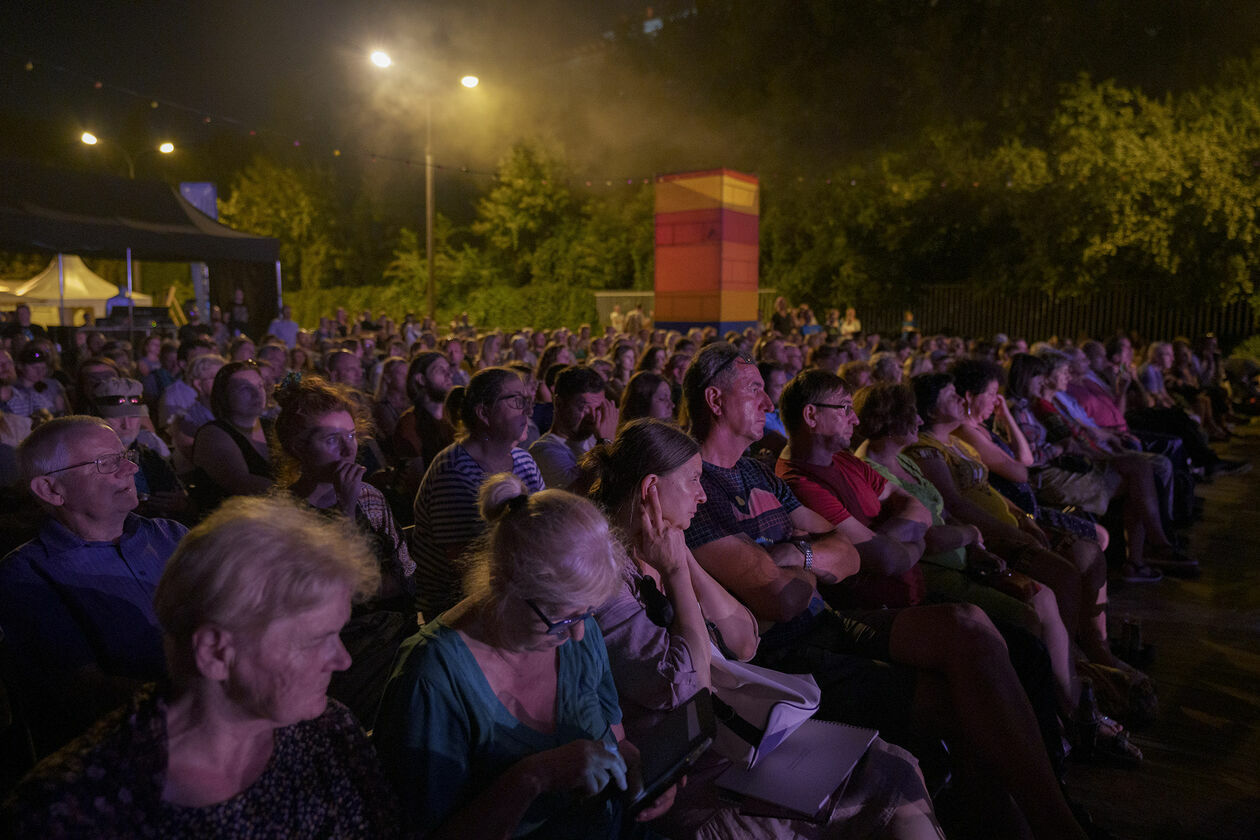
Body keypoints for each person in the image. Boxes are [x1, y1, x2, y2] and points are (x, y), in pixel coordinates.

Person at [678, 342, 1088, 840]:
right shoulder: (693, 487)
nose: (768, 404)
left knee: (969, 625)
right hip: (781, 662)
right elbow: (779, 600)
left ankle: (1048, 822)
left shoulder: (755, 471)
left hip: (826, 622)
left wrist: (797, 555)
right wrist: (810, 557)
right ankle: (1041, 826)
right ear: (715, 401)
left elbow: (848, 555)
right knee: (974, 704)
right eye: (755, 391)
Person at [587, 419, 944, 839]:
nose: (702, 496)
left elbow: (744, 640)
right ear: (651, 489)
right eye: (694, 482)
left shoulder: (669, 548)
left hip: (733, 746)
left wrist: (681, 561)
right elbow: (686, 688)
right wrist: (676, 574)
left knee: (897, 764)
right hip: (691, 781)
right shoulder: (608, 580)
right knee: (892, 788)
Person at [4, 494, 399, 836]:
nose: (343, 659)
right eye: (315, 640)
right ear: (213, 652)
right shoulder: (70, 808)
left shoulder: (328, 729)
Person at [376, 473, 674, 837]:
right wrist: (534, 776)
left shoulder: (578, 629)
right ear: (502, 584)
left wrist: (643, 772)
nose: (579, 633)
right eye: (564, 617)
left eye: (587, 614)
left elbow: (618, 742)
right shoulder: (431, 679)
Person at [0, 417, 186, 754]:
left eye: (126, 456)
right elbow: (83, 690)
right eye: (107, 462)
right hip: (129, 750)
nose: (128, 470)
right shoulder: (26, 575)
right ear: (50, 489)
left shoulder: (170, 535)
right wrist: (201, 700)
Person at [409, 367, 545, 619]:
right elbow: (467, 564)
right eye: (517, 401)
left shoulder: (524, 460)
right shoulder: (454, 470)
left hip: (515, 589)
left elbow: (546, 527)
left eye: (527, 401)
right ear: (483, 412)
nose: (528, 410)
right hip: (460, 608)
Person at [89, 377, 187, 521]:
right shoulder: (87, 461)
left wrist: (181, 505)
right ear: (98, 418)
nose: (127, 425)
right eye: (117, 417)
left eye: (134, 416)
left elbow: (183, 503)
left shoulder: (150, 457)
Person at [189, 360, 274, 515]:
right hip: (232, 525)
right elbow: (242, 484)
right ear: (224, 395)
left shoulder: (272, 426)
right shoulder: (212, 434)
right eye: (245, 388)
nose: (257, 393)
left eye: (260, 385)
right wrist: (295, 490)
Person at [529, 366, 616, 490]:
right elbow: (582, 493)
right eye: (584, 408)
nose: (592, 417)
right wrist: (606, 443)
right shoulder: (543, 451)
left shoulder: (595, 438)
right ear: (559, 403)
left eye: (598, 408)